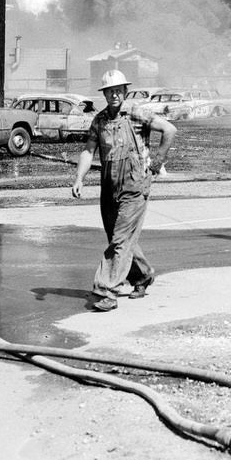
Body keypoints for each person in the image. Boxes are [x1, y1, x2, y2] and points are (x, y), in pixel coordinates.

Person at [71, 69, 175, 312]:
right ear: (104, 94)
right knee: (119, 238)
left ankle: (106, 290)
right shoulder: (100, 120)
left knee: (120, 239)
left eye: (118, 90)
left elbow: (170, 130)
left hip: (135, 184)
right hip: (109, 185)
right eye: (110, 91)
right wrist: (79, 178)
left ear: (125, 92)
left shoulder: (138, 113)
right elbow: (89, 150)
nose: (114, 95)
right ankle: (142, 275)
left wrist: (157, 162)